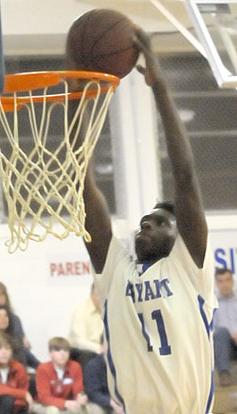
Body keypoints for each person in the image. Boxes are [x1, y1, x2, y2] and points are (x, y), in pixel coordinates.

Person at [78, 29, 217, 413]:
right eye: (144, 221)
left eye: (159, 222)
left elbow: (185, 174)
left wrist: (159, 89)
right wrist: (81, 104)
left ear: (179, 235)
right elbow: (82, 186)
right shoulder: (115, 271)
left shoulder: (188, 268)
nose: (146, 225)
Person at [0, 282, 40, 369]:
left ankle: (41, 369)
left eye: (1, 294)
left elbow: (20, 339)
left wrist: (22, 340)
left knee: (22, 350)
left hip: (14, 351)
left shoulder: (14, 317)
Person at [34, 337, 87, 414]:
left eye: (66, 350)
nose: (63, 354)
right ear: (50, 354)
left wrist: (80, 398)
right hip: (45, 405)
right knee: (53, 411)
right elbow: (44, 398)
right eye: (58, 350)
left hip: (69, 404)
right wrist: (65, 403)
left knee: (84, 410)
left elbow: (78, 390)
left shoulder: (75, 366)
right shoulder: (43, 368)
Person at [69, 283, 103, 371]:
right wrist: (99, 348)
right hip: (83, 350)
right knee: (88, 356)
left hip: (103, 348)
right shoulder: (81, 311)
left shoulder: (108, 309)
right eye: (101, 295)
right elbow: (79, 341)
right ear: (92, 295)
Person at [84, 336, 122, 414]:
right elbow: (93, 394)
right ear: (101, 348)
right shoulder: (93, 365)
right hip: (98, 402)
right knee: (96, 411)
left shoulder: (122, 365)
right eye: (109, 344)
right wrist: (111, 402)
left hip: (117, 402)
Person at [213, 267, 237, 386]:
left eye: (227, 280)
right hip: (224, 347)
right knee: (221, 332)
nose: (225, 284)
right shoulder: (211, 304)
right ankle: (224, 374)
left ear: (232, 281)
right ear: (216, 284)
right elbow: (209, 330)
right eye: (221, 281)